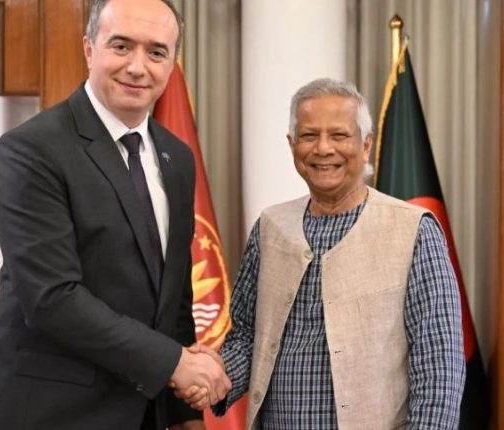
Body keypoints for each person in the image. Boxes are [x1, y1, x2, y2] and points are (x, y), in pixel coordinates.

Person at [0, 1, 229, 429]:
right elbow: (52, 297)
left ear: (172, 63)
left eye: (156, 52)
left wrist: (184, 414)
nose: (137, 67)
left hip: (143, 413)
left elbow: (174, 301)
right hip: (46, 415)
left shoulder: (176, 157)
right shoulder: (31, 149)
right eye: (121, 46)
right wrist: (176, 364)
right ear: (89, 49)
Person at [176, 78, 466, 429]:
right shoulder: (270, 227)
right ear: (292, 144)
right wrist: (212, 376)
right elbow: (249, 339)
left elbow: (439, 368)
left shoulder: (415, 230)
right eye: (309, 135)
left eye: (339, 135)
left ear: (366, 145)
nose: (323, 148)